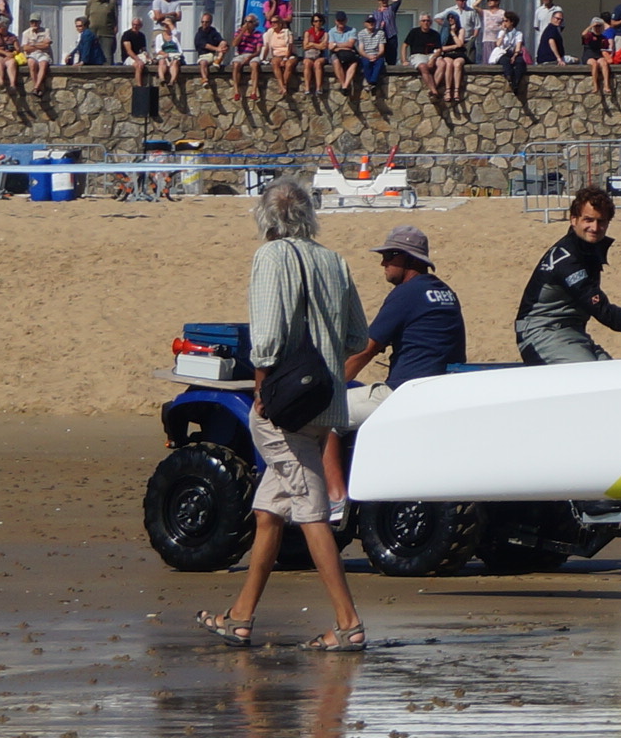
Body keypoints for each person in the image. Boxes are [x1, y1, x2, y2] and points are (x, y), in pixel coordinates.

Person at [200, 175, 369, 650]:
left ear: (266, 217)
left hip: (284, 407)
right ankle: (240, 616)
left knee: (311, 512)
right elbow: (358, 337)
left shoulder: (271, 256)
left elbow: (268, 337)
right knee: (270, 511)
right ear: (309, 215)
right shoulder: (334, 261)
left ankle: (348, 623)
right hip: (326, 402)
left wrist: (262, 387)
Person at [512, 187, 621, 365]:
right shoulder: (568, 261)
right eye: (588, 220)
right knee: (593, 380)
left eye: (601, 221)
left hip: (573, 333)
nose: (595, 228)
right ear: (573, 219)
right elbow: (605, 313)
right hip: (540, 333)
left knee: (613, 376)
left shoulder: (587, 250)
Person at [347, 223, 468, 388]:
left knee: (338, 400)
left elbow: (367, 350)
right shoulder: (445, 291)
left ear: (411, 258)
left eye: (390, 255)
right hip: (445, 387)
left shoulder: (408, 293)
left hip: (408, 392)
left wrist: (332, 384)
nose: (383, 263)